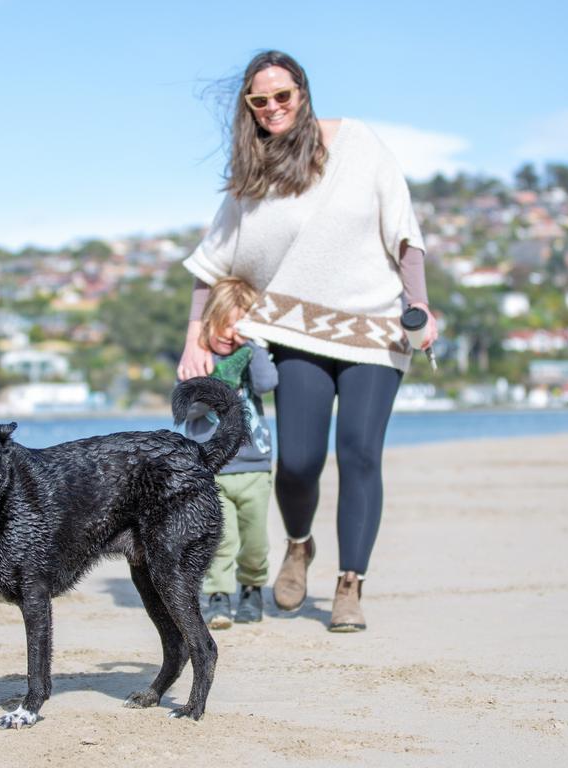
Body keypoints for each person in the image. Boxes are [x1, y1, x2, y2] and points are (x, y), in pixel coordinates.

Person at [177, 50, 438, 633]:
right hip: (294, 332)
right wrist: (193, 340)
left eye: (283, 96)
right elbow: (210, 265)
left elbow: (405, 233)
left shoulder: (359, 144)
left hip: (374, 330)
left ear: (303, 92)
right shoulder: (253, 179)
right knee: (297, 463)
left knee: (359, 452)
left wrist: (418, 303)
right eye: (260, 101)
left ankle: (351, 585)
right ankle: (299, 544)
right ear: (249, 107)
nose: (273, 108)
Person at [184, 277, 277, 630]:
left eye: (239, 323)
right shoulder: (198, 357)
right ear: (208, 320)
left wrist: (252, 347)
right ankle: (218, 596)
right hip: (213, 470)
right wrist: (217, 380)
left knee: (255, 540)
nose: (229, 331)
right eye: (223, 321)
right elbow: (188, 409)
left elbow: (268, 384)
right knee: (221, 538)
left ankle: (252, 587)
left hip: (255, 467)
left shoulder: (251, 355)